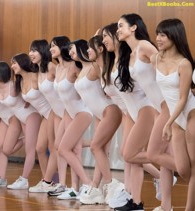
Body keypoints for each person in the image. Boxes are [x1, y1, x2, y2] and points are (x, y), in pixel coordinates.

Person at [117, 13, 177, 211]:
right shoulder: (131, 54)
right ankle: (166, 206)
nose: (118, 29)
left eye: (121, 26)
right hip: (160, 108)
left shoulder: (144, 46)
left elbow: (167, 64)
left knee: (138, 154)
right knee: (163, 156)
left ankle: (186, 168)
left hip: (167, 106)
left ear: (134, 27)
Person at [69, 38, 124, 205]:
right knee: (99, 149)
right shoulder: (85, 69)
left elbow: (110, 85)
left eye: (89, 48)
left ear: (99, 49)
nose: (87, 51)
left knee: (95, 147)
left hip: (110, 110)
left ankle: (110, 184)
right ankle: (97, 188)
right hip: (101, 114)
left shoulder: (96, 67)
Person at [154, 18, 195, 211]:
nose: (158, 38)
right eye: (158, 34)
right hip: (176, 119)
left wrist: (168, 123)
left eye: (163, 34)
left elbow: (183, 98)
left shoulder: (184, 63)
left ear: (174, 36)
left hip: (190, 114)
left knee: (194, 168)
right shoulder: (156, 58)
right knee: (184, 170)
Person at [50, 35, 93, 200]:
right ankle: (71, 186)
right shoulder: (58, 68)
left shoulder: (75, 66)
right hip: (68, 112)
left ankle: (84, 184)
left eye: (54, 46)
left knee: (68, 149)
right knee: (59, 146)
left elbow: (89, 79)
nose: (51, 49)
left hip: (81, 110)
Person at [0, 61, 42, 189]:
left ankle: (24, 180)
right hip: (20, 118)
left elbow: (30, 94)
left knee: (31, 150)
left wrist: (29, 102)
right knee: (5, 150)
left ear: (2, 74)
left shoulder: (13, 85)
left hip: (30, 115)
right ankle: (26, 139)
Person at [28, 39, 63, 193]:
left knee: (53, 147)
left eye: (34, 50)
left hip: (56, 112)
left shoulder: (51, 67)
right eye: (30, 51)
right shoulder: (38, 70)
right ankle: (48, 181)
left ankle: (48, 181)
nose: (31, 54)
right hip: (47, 113)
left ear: (42, 51)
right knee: (40, 148)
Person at [12, 53, 52, 181]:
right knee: (40, 148)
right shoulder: (21, 81)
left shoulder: (35, 76)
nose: (12, 66)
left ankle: (51, 180)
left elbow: (49, 91)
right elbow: (31, 96)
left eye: (14, 63)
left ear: (22, 63)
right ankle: (47, 180)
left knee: (57, 147)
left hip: (52, 112)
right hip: (45, 116)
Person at [0, 62, 24, 187]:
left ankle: (25, 139)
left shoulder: (13, 86)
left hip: (15, 118)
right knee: (0, 148)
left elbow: (25, 101)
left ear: (2, 73)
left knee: (6, 149)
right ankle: (2, 178)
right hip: (4, 118)